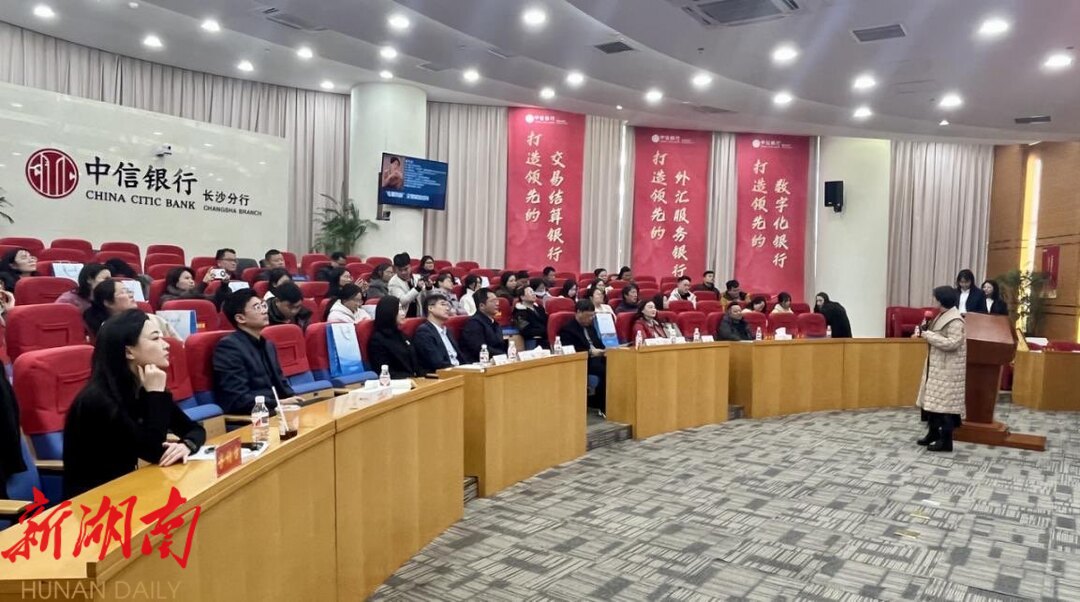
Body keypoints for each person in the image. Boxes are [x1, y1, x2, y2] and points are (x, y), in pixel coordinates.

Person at [63, 309, 206, 498]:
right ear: (129, 351)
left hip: (128, 488)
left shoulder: (141, 386)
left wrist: (187, 445)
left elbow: (194, 429)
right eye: (155, 338)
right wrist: (155, 394)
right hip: (95, 501)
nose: (166, 345)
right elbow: (153, 451)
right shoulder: (99, 400)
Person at [213, 289, 302, 415]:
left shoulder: (268, 344)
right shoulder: (229, 348)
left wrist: (294, 399)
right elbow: (238, 398)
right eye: (257, 307)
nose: (264, 311)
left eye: (263, 305)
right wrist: (278, 403)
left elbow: (281, 382)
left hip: (278, 409)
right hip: (256, 414)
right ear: (240, 318)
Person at [914, 286, 967, 452]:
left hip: (948, 369)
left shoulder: (956, 320)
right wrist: (925, 328)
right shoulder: (942, 315)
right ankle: (933, 433)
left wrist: (927, 335)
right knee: (933, 404)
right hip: (937, 366)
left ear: (941, 300)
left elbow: (953, 343)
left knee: (945, 407)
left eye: (935, 298)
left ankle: (946, 441)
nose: (933, 300)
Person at [84, 280, 178, 339]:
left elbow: (178, 346)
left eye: (129, 291)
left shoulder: (154, 319)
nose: (131, 295)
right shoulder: (109, 329)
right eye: (123, 292)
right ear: (108, 303)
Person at [558, 299, 607, 412]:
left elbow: (599, 343)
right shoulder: (567, 329)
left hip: (598, 357)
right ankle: (602, 405)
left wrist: (606, 350)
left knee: (618, 364)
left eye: (592, 316)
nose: (591, 318)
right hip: (584, 361)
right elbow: (571, 352)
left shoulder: (590, 326)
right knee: (605, 370)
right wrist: (590, 352)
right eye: (588, 316)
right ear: (579, 312)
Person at [367, 296, 422, 379]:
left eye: (402, 309)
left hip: (416, 380)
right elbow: (385, 372)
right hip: (399, 383)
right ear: (388, 311)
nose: (403, 313)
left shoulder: (401, 335)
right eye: (399, 309)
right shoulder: (377, 340)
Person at [411, 293, 461, 372]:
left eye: (448, 305)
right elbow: (436, 362)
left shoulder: (448, 331)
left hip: (458, 370)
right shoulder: (424, 332)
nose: (447, 308)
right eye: (443, 304)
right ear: (430, 308)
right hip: (442, 374)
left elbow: (460, 357)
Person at [460, 288, 507, 363]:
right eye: (493, 301)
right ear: (482, 306)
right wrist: (503, 355)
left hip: (497, 360)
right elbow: (479, 349)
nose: (497, 303)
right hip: (478, 363)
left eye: (497, 300)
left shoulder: (494, 322)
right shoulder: (474, 323)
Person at [159, 266, 229, 309]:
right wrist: (203, 284)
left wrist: (224, 285)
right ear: (175, 282)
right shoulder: (166, 298)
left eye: (192, 279)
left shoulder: (198, 295)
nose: (192, 281)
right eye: (187, 278)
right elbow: (184, 299)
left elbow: (218, 300)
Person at [389, 252, 427, 317]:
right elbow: (403, 301)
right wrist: (417, 288)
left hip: (418, 315)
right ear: (395, 269)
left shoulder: (417, 278)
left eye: (406, 269)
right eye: (400, 270)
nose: (403, 272)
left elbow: (426, 297)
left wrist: (429, 288)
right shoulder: (393, 282)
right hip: (403, 317)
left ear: (410, 266)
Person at [513, 286, 549, 350]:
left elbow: (546, 322)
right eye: (530, 292)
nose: (533, 294)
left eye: (533, 291)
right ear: (522, 297)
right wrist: (543, 330)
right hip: (532, 340)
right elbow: (526, 331)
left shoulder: (539, 308)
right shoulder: (519, 312)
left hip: (545, 338)